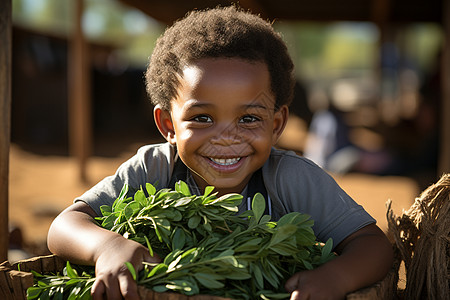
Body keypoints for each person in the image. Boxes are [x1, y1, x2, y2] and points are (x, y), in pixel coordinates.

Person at [47, 6, 393, 300]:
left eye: (248, 118)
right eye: (202, 118)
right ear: (168, 124)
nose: (226, 137)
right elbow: (64, 225)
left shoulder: (290, 178)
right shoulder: (154, 168)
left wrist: (334, 278)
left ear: (276, 124)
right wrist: (106, 248)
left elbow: (372, 245)